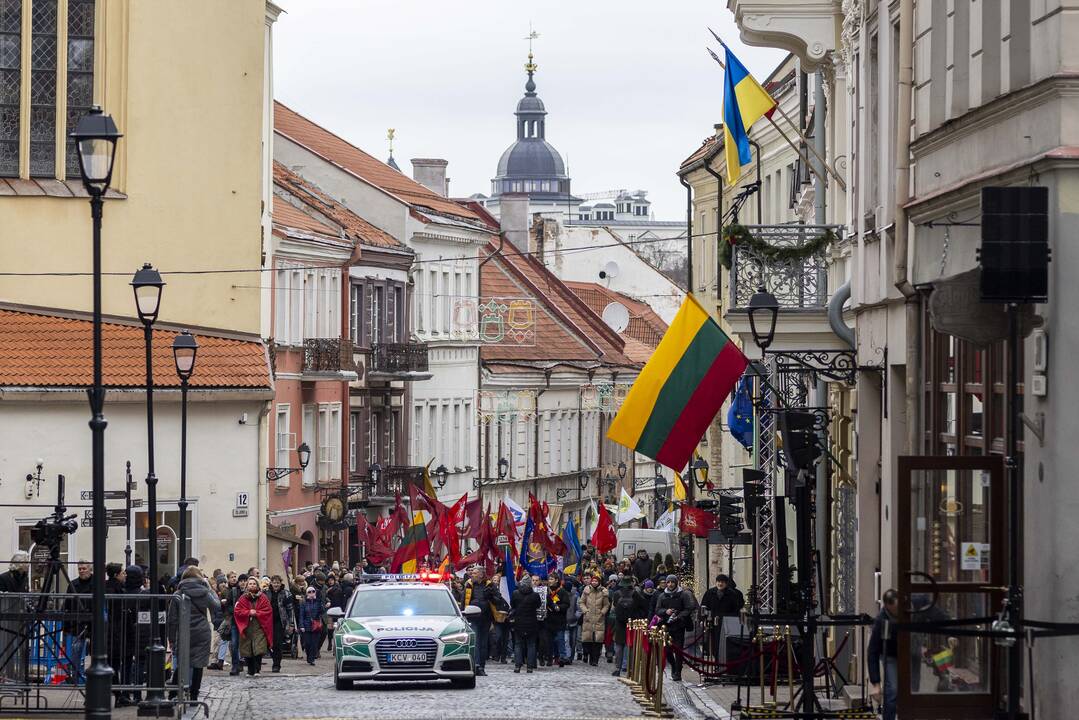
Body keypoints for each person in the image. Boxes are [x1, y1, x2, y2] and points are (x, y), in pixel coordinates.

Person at [166, 567, 219, 702]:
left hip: (184, 631)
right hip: (202, 631)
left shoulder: (178, 593)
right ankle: (194, 696)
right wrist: (211, 589)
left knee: (182, 662)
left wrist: (171, 638)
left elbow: (172, 619)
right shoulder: (204, 592)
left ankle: (173, 694)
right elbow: (216, 605)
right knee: (198, 664)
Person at [653, 574, 694, 681]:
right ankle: (674, 666)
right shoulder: (662, 596)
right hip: (666, 626)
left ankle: (678, 672)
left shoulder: (683, 594)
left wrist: (679, 616)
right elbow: (657, 609)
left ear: (676, 583)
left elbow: (689, 608)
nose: (670, 584)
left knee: (679, 650)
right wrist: (665, 611)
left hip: (679, 626)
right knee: (667, 650)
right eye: (668, 582)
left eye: (672, 582)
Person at [868, 589, 899, 720]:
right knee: (892, 689)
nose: (897, 612)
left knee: (913, 688)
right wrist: (875, 683)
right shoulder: (881, 620)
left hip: (910, 653)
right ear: (887, 606)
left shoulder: (911, 607)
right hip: (891, 655)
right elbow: (872, 651)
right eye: (894, 609)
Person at [234, 577, 273, 676]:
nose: (252, 585)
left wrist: (257, 613)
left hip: (259, 627)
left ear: (257, 585)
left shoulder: (263, 597)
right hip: (247, 627)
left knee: (258, 649)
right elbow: (237, 611)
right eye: (250, 584)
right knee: (247, 649)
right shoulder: (242, 598)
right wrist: (248, 612)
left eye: (254, 584)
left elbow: (268, 610)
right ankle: (250, 670)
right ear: (247, 585)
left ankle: (257, 670)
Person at [64, 560, 93, 685]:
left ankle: (93, 677)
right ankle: (74, 676)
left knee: (95, 652)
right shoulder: (73, 584)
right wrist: (67, 625)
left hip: (93, 622)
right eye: (79, 569)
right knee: (76, 650)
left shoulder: (97, 583)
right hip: (78, 622)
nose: (81, 571)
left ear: (90, 569)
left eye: (84, 568)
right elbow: (68, 605)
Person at [463, 566, 497, 676]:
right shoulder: (468, 584)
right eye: (472, 572)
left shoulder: (490, 585)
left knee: (483, 644)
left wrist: (491, 596)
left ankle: (482, 666)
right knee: (476, 642)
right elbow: (464, 600)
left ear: (481, 575)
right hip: (472, 617)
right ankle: (476, 665)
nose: (472, 574)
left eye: (475, 573)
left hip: (486, 618)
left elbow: (497, 601)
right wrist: (463, 614)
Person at [701, 574, 744, 659]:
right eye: (718, 582)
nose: (720, 584)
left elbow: (737, 609)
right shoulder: (710, 593)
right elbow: (704, 606)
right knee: (714, 643)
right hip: (713, 622)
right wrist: (704, 619)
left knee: (726, 643)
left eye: (722, 582)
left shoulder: (732, 594)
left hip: (727, 623)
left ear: (726, 583)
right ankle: (717, 659)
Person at [610, 576, 646, 677]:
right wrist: (636, 617)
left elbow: (614, 608)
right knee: (629, 647)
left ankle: (618, 668)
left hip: (619, 623)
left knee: (618, 648)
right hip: (631, 624)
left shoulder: (617, 594)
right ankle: (629, 668)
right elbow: (644, 608)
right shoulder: (636, 594)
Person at [510, 575, 541, 673]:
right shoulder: (535, 595)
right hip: (531, 622)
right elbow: (538, 605)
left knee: (518, 644)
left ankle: (517, 665)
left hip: (519, 622)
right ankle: (530, 667)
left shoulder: (515, 593)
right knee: (531, 644)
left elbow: (512, 605)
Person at [578, 575, 610, 666]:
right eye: (593, 581)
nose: (594, 582)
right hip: (588, 617)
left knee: (597, 640)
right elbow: (581, 602)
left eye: (596, 581)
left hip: (599, 618)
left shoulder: (603, 592)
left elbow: (606, 605)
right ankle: (586, 654)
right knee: (587, 639)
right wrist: (585, 611)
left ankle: (595, 659)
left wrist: (602, 612)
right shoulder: (586, 591)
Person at [266, 575, 295, 673]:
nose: (276, 584)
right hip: (268, 622)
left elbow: (290, 610)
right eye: (274, 582)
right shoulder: (266, 593)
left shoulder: (286, 594)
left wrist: (291, 624)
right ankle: (274, 659)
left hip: (280, 622)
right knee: (268, 644)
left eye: (277, 583)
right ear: (271, 583)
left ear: (280, 583)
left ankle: (276, 664)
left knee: (277, 644)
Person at [544, 575, 569, 667]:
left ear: (556, 580)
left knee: (560, 639)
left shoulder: (562, 591)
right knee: (549, 640)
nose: (550, 581)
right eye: (549, 579)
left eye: (551, 579)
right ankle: (550, 658)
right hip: (548, 619)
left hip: (559, 619)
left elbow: (566, 604)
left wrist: (559, 607)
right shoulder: (546, 591)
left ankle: (562, 657)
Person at [297, 587, 323, 665]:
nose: (311, 593)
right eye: (309, 592)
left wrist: (319, 601)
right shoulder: (303, 602)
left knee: (314, 644)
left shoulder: (318, 602)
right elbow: (301, 615)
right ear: (307, 593)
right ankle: (309, 656)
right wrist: (301, 625)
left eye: (313, 591)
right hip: (306, 625)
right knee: (307, 643)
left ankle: (311, 659)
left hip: (316, 625)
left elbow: (322, 611)